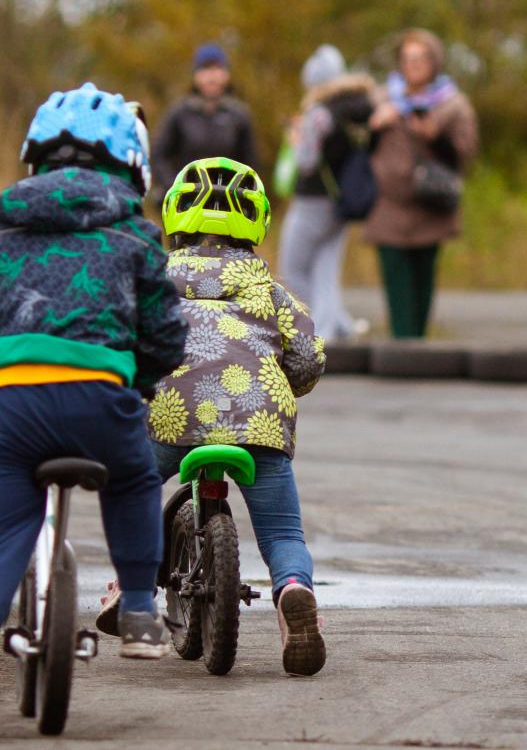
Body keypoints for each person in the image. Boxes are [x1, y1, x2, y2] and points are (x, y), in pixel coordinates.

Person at [0, 83, 187, 741]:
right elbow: (165, 333)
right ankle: (144, 611)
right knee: (132, 480)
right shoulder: (136, 234)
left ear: (34, 156)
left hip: (13, 397)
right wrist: (140, 384)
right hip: (102, 394)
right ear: (131, 163)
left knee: (5, 527)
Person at [96, 156, 328, 675]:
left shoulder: (150, 283)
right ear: (257, 223)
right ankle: (293, 593)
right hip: (258, 425)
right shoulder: (272, 293)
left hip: (171, 419)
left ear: (175, 216)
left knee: (128, 490)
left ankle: (124, 584)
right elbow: (309, 357)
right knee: (284, 533)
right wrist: (287, 386)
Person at [365, 29, 479, 338]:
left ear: (434, 62)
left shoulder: (453, 104)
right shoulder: (381, 99)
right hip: (388, 207)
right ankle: (402, 348)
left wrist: (435, 135)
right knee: (396, 285)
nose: (414, 65)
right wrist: (375, 126)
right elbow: (359, 148)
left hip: (431, 207)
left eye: (420, 58)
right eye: (407, 59)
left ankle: (417, 346)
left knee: (422, 285)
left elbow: (467, 154)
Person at [279, 44, 377, 342]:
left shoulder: (319, 113)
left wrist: (296, 139)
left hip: (311, 201)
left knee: (292, 267)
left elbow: (306, 161)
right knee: (325, 267)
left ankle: (310, 328)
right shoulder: (357, 106)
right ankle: (336, 325)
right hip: (339, 199)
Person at [151, 43, 258, 196]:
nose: (211, 76)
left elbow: (250, 162)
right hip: (187, 200)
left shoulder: (239, 116)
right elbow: (159, 154)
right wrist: (173, 187)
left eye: (217, 69)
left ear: (226, 74)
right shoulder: (179, 113)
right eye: (205, 69)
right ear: (196, 74)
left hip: (229, 201)